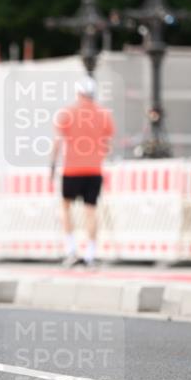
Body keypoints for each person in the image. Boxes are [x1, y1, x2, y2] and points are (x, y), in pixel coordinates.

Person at [50, 76, 114, 267]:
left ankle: (71, 250)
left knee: (65, 208)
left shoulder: (68, 113)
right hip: (94, 169)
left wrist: (52, 164)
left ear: (78, 92)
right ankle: (91, 254)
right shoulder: (104, 114)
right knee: (91, 211)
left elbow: (58, 141)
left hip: (71, 168)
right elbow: (107, 143)